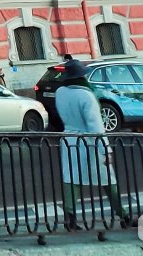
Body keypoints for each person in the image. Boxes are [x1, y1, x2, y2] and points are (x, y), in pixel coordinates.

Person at [55, 59, 130, 229]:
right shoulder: (87, 95)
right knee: (107, 179)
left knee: (71, 178)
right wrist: (106, 149)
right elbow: (96, 126)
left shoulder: (60, 92)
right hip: (90, 141)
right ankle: (123, 216)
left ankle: (70, 219)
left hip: (69, 139)